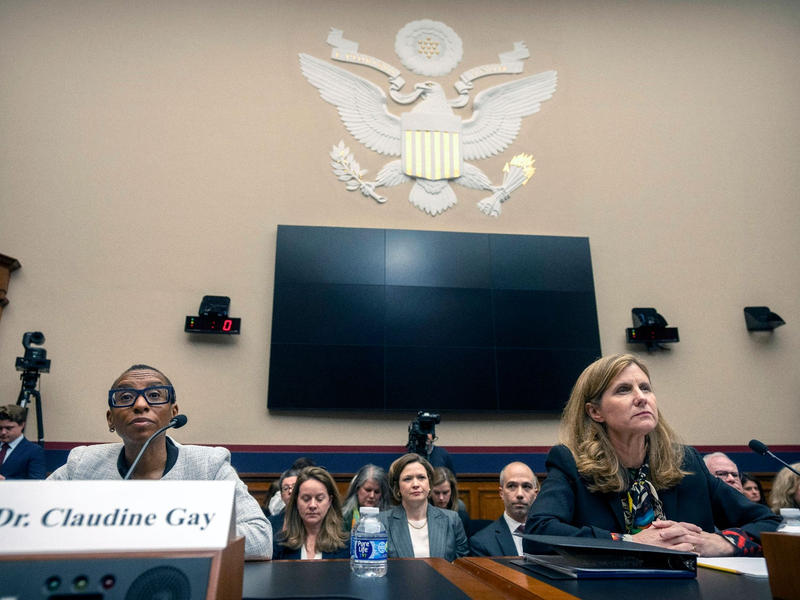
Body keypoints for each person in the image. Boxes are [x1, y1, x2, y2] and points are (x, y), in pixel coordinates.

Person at [526, 354, 780, 557]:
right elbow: (539, 532)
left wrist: (725, 543)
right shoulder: (570, 462)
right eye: (623, 390)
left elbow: (771, 523)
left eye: (645, 388)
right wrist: (630, 542)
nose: (641, 398)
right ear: (595, 412)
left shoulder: (686, 462)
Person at [47, 364, 272, 560]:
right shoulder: (83, 464)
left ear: (173, 412)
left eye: (155, 395)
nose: (141, 404)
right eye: (126, 397)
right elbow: (32, 520)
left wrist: (163, 533)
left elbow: (259, 539)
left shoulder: (208, 465)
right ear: (110, 419)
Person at [378, 453, 468, 561]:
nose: (415, 484)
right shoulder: (380, 522)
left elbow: (462, 567)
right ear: (397, 487)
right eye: (407, 479)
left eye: (421, 477)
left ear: (429, 483)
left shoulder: (452, 520)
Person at [272, 466, 350, 559]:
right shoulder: (280, 543)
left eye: (319, 499)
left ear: (329, 501)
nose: (312, 505)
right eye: (306, 499)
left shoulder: (346, 544)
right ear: (297, 501)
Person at [470, 462, 539, 557]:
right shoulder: (482, 542)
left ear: (535, 494)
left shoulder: (551, 536)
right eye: (512, 486)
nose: (520, 494)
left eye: (526, 486)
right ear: (501, 493)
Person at [0, 404, 45, 480]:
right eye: (0, 428)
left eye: (9, 428)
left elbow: (36, 483)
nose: (3, 432)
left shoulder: (34, 451)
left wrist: (4, 480)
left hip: (14, 491)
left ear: (22, 425)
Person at [341, 464, 391, 530]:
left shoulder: (390, 517)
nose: (372, 496)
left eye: (377, 492)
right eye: (368, 490)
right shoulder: (344, 517)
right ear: (357, 489)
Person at [430, 467, 470, 532]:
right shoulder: (422, 510)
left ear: (452, 490)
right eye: (436, 493)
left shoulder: (460, 510)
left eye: (445, 493)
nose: (441, 498)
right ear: (430, 490)